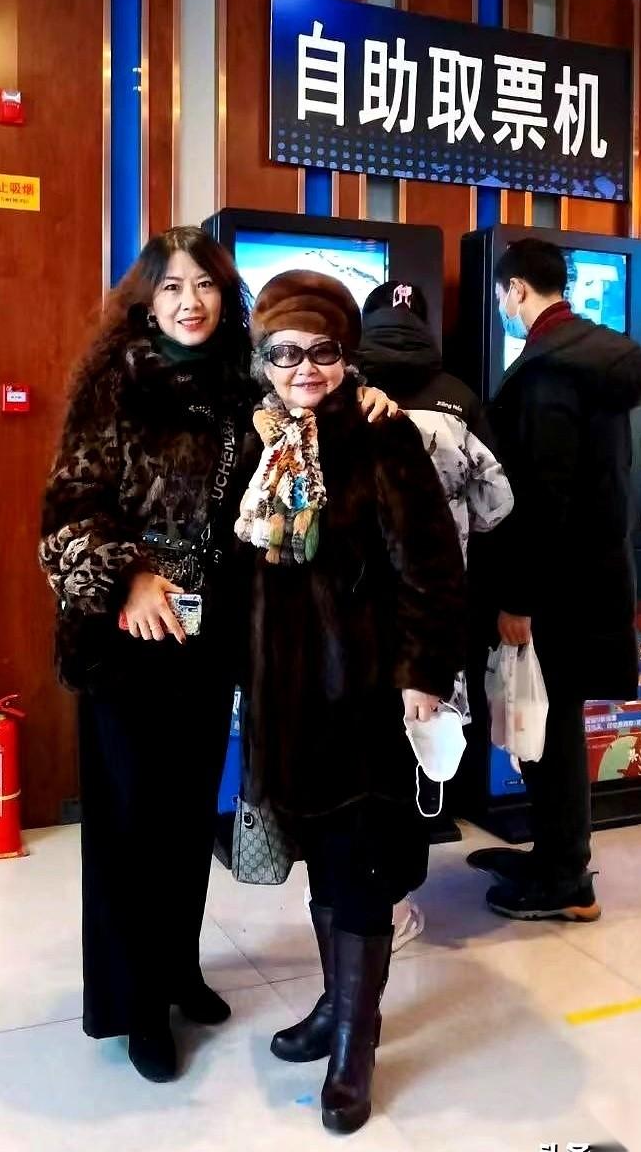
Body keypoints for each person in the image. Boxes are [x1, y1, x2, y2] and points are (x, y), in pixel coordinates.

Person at [38, 228, 397, 1084]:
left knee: (188, 816)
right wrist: (127, 579)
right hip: (128, 640)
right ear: (146, 300)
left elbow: (311, 396)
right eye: (171, 287)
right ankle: (135, 1008)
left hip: (211, 640)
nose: (189, 301)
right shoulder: (115, 385)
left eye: (203, 284)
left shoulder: (245, 384)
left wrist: (372, 396)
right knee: (132, 827)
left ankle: (177, 970)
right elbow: (67, 512)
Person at [236, 270, 467, 1136]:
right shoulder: (257, 437)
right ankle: (337, 1005)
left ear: (348, 356)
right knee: (320, 861)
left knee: (362, 869)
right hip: (286, 701)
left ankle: (353, 1048)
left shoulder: (382, 436)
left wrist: (423, 673)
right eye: (285, 351)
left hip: (365, 698)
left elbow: (433, 568)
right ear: (263, 359)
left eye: (323, 350)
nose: (305, 367)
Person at [467, 238, 641, 922]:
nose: (503, 307)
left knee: (552, 729)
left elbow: (545, 498)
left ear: (516, 289)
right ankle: (556, 856)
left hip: (556, 587)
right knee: (556, 722)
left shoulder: (550, 373)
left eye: (501, 296)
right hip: (589, 575)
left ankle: (565, 879)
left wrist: (519, 599)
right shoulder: (591, 360)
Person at [359, 279, 513, 947]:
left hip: (353, 611)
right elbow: (498, 505)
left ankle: (353, 897)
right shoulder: (459, 396)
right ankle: (397, 901)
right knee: (416, 748)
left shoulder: (340, 391)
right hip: (435, 606)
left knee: (357, 757)